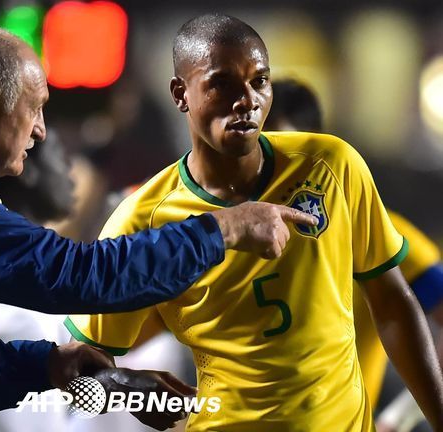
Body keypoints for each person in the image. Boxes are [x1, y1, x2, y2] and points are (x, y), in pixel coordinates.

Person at [0, 26, 316, 432]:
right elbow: (78, 274)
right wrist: (221, 229)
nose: (42, 131)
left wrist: (51, 366)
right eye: (36, 109)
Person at [65, 14, 443, 431]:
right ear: (180, 94)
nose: (247, 100)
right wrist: (126, 388)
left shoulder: (333, 167)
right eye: (222, 83)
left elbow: (394, 305)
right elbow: (81, 364)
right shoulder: (143, 219)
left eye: (259, 81)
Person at [266, 78, 443, 432]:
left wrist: (401, 416)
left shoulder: (372, 231)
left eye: (284, 148)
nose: (266, 167)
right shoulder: (220, 233)